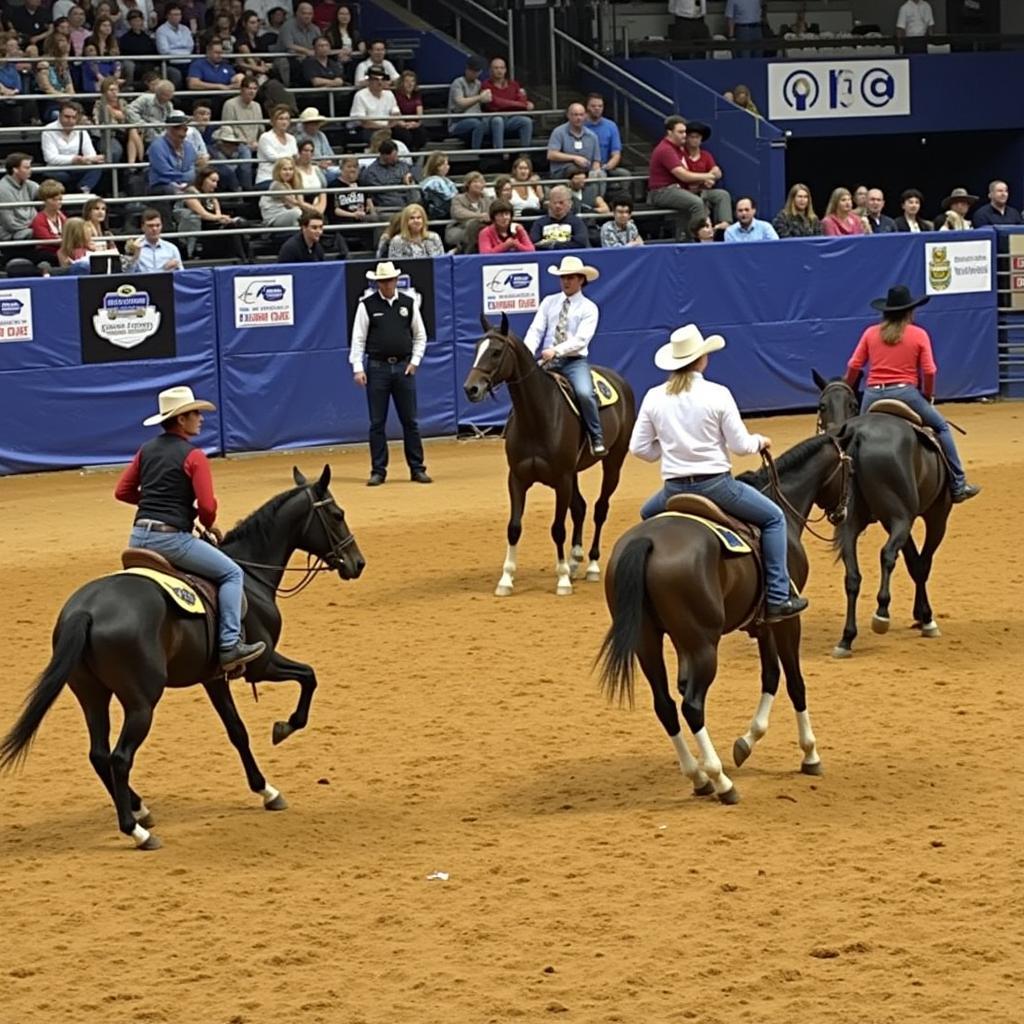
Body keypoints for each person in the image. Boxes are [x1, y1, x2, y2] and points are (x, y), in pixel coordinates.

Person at [628, 322, 808, 622]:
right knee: (775, 518)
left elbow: (638, 448)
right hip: (717, 488)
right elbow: (739, 446)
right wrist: (760, 441)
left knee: (648, 516)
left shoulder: (654, 397)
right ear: (702, 359)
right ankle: (777, 596)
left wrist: (670, 449)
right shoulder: (718, 394)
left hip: (673, 490)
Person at [115, 385, 266, 671]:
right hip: (172, 541)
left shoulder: (146, 451)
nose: (201, 418)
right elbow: (207, 506)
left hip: (137, 538)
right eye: (195, 413)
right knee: (232, 573)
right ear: (181, 420)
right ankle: (230, 644)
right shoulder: (193, 456)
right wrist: (206, 524)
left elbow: (122, 491)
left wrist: (156, 503)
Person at [845, 285, 980, 503]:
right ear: (909, 311)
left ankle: (850, 491)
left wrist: (849, 387)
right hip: (905, 393)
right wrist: (927, 394)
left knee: (854, 437)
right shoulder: (918, 334)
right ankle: (958, 483)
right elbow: (929, 370)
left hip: (872, 395)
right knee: (941, 427)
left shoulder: (870, 333)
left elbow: (854, 365)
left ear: (885, 311)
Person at [349, 260, 431, 487]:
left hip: (403, 368)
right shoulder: (366, 305)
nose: (386, 284)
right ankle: (378, 470)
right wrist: (358, 367)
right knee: (377, 422)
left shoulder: (408, 303)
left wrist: (414, 361)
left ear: (395, 281)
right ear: (377, 283)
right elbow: (358, 338)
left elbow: (420, 335)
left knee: (410, 421)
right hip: (377, 367)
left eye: (389, 280)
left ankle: (417, 468)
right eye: (382, 281)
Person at [523, 255, 607, 457]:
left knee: (585, 393)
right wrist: (527, 352)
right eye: (563, 278)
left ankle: (596, 436)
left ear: (581, 280)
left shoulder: (589, 308)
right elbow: (536, 330)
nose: (566, 281)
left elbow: (581, 339)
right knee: (524, 389)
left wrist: (556, 350)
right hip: (548, 360)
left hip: (573, 361)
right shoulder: (549, 302)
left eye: (571, 277)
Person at [648, 115, 706, 240]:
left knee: (710, 198)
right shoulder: (666, 149)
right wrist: (709, 175)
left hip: (676, 189)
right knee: (697, 203)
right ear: (669, 132)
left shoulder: (678, 149)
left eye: (685, 132)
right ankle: (696, 237)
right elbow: (683, 175)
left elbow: (689, 171)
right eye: (680, 132)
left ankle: (686, 238)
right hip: (662, 191)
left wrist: (706, 176)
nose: (684, 135)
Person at [41, 101, 105, 195]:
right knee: (60, 175)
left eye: (73, 118)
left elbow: (91, 154)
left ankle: (83, 190)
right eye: (66, 117)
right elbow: (50, 158)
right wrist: (73, 159)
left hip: (77, 166)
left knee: (97, 166)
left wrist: (91, 159)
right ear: (59, 115)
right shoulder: (48, 131)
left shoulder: (81, 131)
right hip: (56, 168)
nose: (70, 120)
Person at [680, 121, 731, 230]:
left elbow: (716, 172)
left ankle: (725, 223)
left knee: (722, 194)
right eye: (691, 137)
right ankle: (702, 229)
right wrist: (706, 177)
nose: (694, 140)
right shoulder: (681, 155)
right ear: (687, 139)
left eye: (697, 137)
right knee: (701, 203)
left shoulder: (706, 155)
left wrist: (711, 179)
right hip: (687, 191)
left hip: (704, 189)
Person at [481, 56, 534, 153]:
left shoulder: (514, 84)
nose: (499, 71)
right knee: (498, 120)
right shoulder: (486, 85)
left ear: (505, 70)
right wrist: (521, 105)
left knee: (526, 121)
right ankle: (499, 153)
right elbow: (496, 103)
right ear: (490, 70)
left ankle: (525, 154)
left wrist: (522, 104)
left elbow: (522, 101)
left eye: (501, 68)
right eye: (496, 68)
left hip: (512, 118)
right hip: (492, 119)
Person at [547, 102, 603, 185]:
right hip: (563, 171)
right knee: (575, 171)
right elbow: (551, 155)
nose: (579, 118)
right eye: (575, 115)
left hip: (586, 171)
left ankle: (598, 197)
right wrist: (574, 158)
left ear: (585, 116)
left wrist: (596, 171)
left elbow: (596, 161)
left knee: (600, 175)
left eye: (581, 115)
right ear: (568, 116)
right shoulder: (558, 132)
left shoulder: (592, 136)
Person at [529, 184, 589, 250]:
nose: (557, 206)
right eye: (554, 202)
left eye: (561, 202)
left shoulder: (577, 222)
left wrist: (552, 245)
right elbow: (534, 244)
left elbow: (581, 243)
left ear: (570, 203)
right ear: (549, 204)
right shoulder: (539, 223)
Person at [351, 66, 400, 142]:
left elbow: (396, 114)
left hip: (388, 128)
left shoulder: (389, 94)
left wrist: (388, 126)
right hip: (369, 129)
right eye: (376, 79)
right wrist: (382, 128)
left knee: (404, 134)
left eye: (382, 79)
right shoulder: (360, 95)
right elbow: (363, 122)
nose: (380, 83)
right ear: (369, 81)